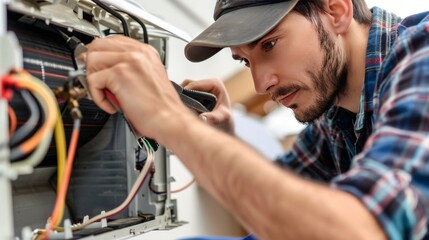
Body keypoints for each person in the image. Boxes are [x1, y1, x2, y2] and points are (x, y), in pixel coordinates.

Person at [84, 0, 429, 239]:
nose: (261, 85)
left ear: (335, 11)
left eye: (269, 45)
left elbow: (365, 230)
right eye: (246, 62)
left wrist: (168, 120)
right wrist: (223, 139)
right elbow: (281, 200)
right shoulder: (335, 115)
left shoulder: (421, 58)